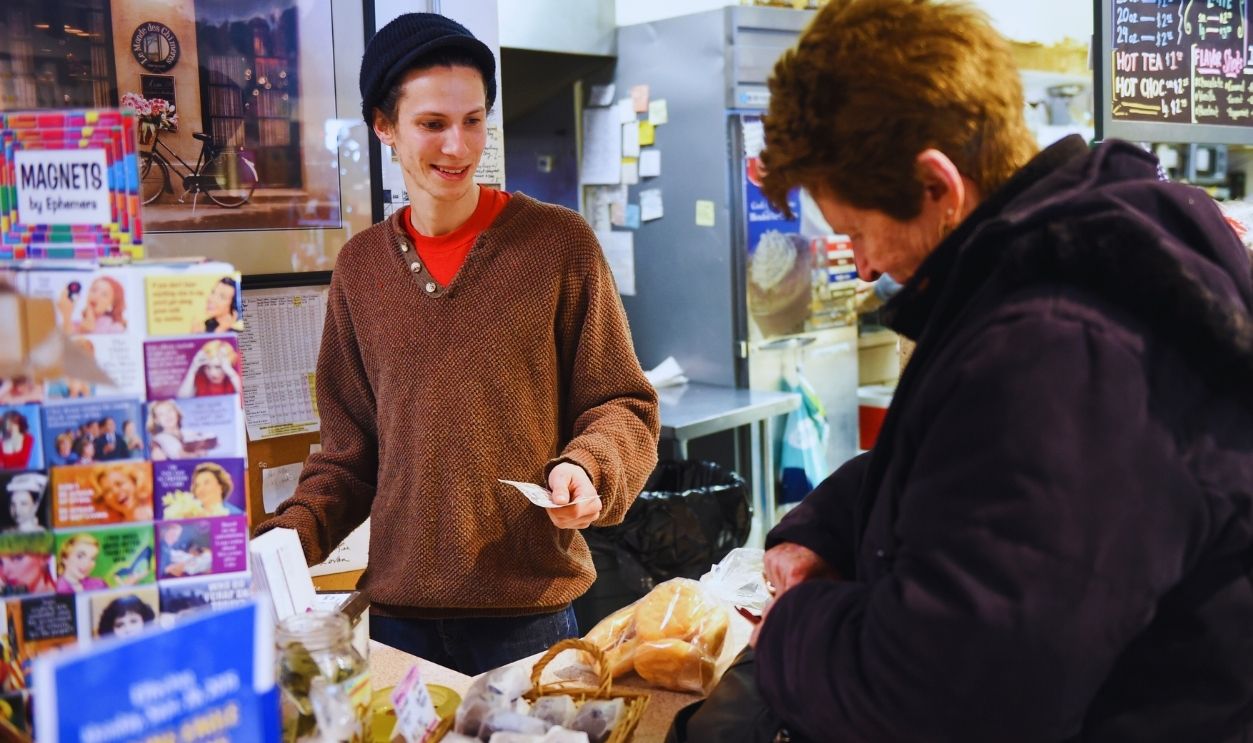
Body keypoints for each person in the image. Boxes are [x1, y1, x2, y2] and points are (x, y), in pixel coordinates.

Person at [690, 1, 1253, 741]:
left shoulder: (1064, 346)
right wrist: (825, 525)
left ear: (936, 186)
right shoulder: (1029, 276)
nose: (861, 263)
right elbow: (966, 474)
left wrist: (793, 627)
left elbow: (952, 699)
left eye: (857, 230)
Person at [254, 12, 659, 677]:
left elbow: (622, 401)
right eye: (433, 124)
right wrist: (282, 544)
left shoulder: (559, 245)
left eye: (473, 120)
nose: (457, 145)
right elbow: (348, 457)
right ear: (383, 126)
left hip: (529, 613)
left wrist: (588, 466)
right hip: (395, 620)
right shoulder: (361, 269)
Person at [57, 276, 127, 334]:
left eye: (104, 294)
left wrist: (87, 331)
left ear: (111, 305)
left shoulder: (115, 328)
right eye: (94, 290)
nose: (96, 296)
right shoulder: (75, 324)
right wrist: (66, 315)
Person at [176, 340, 241, 398]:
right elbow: (182, 398)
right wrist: (193, 368)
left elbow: (245, 398)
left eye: (218, 367)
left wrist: (231, 373)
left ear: (229, 365)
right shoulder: (200, 379)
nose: (212, 373)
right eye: (207, 367)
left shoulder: (234, 380)